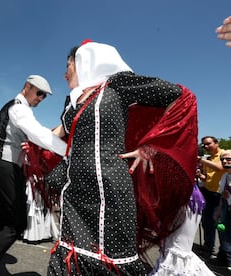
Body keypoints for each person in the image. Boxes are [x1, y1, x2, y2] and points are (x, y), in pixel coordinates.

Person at [44, 40, 197, 274]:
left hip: (109, 188)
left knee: (109, 259)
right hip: (74, 190)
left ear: (87, 61)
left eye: (69, 65)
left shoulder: (117, 84)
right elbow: (58, 135)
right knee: (69, 256)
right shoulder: (71, 103)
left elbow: (179, 96)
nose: (65, 74)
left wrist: (151, 146)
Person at [0, 75, 67, 275]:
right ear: (27, 87)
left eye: (44, 96)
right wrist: (68, 151)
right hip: (7, 168)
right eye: (39, 93)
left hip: (1, 167)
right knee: (15, 224)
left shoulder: (7, 107)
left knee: (0, 222)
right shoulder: (20, 108)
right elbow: (37, 133)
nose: (40, 98)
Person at [196, 136, 225, 259]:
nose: (206, 147)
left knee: (220, 224)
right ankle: (208, 248)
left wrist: (200, 160)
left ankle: (224, 253)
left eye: (208, 144)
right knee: (207, 222)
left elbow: (220, 167)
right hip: (208, 192)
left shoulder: (224, 154)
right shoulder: (208, 158)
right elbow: (207, 178)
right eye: (204, 145)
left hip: (220, 194)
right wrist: (200, 175)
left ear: (216, 143)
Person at [211, 150, 231, 270]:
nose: (224, 161)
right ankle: (226, 260)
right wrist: (218, 211)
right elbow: (221, 196)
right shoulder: (224, 176)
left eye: (228, 158)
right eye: (222, 159)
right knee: (224, 235)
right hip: (225, 210)